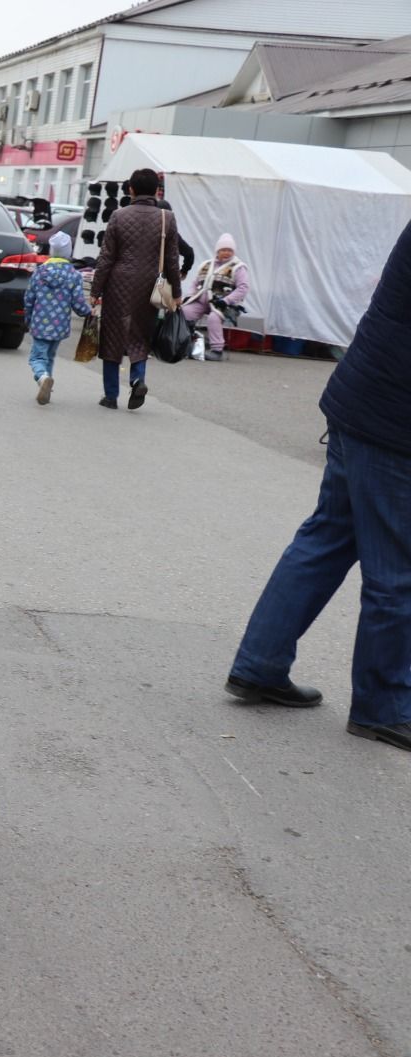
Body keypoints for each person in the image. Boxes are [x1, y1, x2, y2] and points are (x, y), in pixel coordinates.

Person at [224, 220, 411, 753]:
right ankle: (385, 706)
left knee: (327, 538)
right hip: (395, 418)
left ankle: (259, 666)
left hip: (363, 398)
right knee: (396, 573)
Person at [89, 168, 181, 410]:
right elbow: (172, 260)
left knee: (112, 338)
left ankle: (110, 396)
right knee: (141, 335)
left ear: (131, 189)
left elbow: (106, 258)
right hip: (151, 284)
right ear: (156, 190)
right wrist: (177, 294)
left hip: (118, 282)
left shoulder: (118, 216)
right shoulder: (167, 218)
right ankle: (137, 379)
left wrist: (95, 291)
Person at [22, 231, 92, 405]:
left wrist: (27, 318)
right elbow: (78, 302)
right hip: (60, 326)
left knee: (37, 358)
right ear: (68, 252)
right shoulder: (74, 275)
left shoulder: (40, 272)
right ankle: (47, 384)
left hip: (39, 323)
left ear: (52, 251)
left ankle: (43, 378)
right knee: (50, 356)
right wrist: (87, 313)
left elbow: (29, 298)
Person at [181, 233, 250, 361]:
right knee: (185, 312)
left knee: (213, 318)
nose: (226, 253)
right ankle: (186, 344)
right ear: (218, 251)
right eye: (223, 250)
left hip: (225, 304)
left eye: (229, 250)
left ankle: (217, 350)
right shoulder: (206, 265)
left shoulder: (238, 267)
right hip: (202, 301)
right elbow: (195, 283)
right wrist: (190, 296)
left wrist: (226, 300)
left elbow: (243, 288)